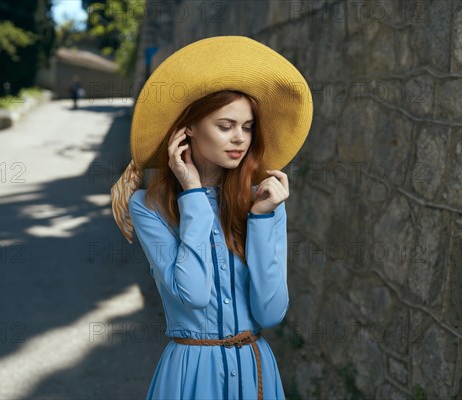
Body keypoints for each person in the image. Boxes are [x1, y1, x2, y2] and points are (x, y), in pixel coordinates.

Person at [110, 36, 313, 400]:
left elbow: (270, 312)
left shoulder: (263, 200)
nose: (240, 139)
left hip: (257, 372)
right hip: (192, 376)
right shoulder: (147, 206)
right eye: (225, 125)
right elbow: (194, 293)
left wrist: (264, 221)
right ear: (189, 128)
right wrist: (192, 196)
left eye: (248, 127)